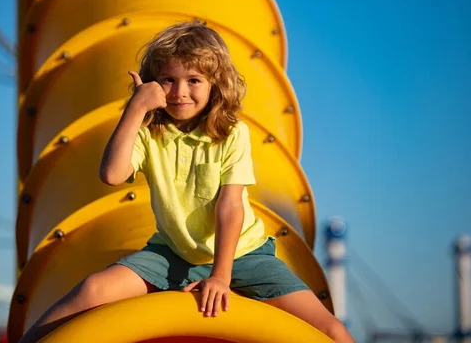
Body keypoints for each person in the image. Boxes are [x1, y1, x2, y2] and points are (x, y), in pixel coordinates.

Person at [19, 20, 355, 343]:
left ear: (215, 84)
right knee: (92, 290)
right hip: (173, 253)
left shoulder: (231, 133)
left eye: (194, 80)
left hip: (243, 254)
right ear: (153, 83)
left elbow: (230, 206)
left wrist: (221, 277)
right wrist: (134, 110)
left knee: (330, 330)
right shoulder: (150, 132)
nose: (180, 92)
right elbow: (111, 175)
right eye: (168, 79)